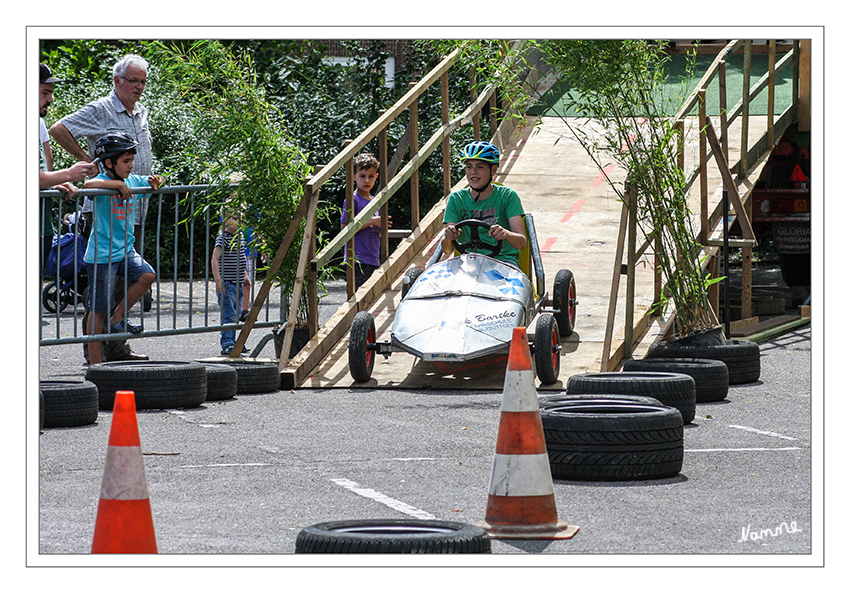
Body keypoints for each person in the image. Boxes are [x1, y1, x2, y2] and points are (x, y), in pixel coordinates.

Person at [49, 54, 154, 254]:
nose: (139, 87)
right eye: (134, 81)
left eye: (143, 82)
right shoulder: (101, 109)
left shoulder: (141, 111)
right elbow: (58, 129)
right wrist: (87, 161)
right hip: (107, 211)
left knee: (132, 272)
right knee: (107, 275)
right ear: (117, 80)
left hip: (135, 208)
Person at [82, 133, 163, 365]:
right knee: (98, 310)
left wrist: (156, 182)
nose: (131, 165)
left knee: (147, 276)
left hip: (125, 250)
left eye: (131, 160)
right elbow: (88, 184)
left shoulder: (133, 180)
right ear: (109, 163)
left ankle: (118, 318)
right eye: (125, 161)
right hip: (102, 255)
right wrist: (117, 184)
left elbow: (151, 181)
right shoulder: (103, 184)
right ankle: (95, 364)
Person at [39, 63, 97, 271]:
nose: (50, 99)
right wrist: (70, 173)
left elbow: (43, 170)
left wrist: (56, 182)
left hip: (42, 226)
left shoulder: (38, 123)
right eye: (45, 92)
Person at [441, 141, 527, 267]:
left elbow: (521, 243)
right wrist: (449, 236)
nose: (473, 172)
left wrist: (505, 233)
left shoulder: (507, 196)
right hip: (468, 263)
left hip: (502, 262)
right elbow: (447, 250)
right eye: (469, 167)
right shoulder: (456, 198)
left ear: (493, 170)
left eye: (480, 167)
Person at [340, 153, 390, 288]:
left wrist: (381, 225)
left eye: (371, 176)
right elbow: (344, 229)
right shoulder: (352, 200)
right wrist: (371, 221)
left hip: (373, 258)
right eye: (362, 176)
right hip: (357, 260)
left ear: (376, 177)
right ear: (354, 177)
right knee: (359, 298)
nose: (367, 180)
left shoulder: (375, 201)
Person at [212, 205, 250, 356]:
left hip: (238, 283)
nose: (239, 222)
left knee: (236, 314)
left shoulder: (239, 237)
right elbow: (215, 259)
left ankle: (236, 342)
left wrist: (245, 275)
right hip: (227, 284)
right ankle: (227, 342)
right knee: (229, 314)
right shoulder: (223, 238)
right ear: (225, 221)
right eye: (234, 218)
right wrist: (218, 280)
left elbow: (241, 259)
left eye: (241, 219)